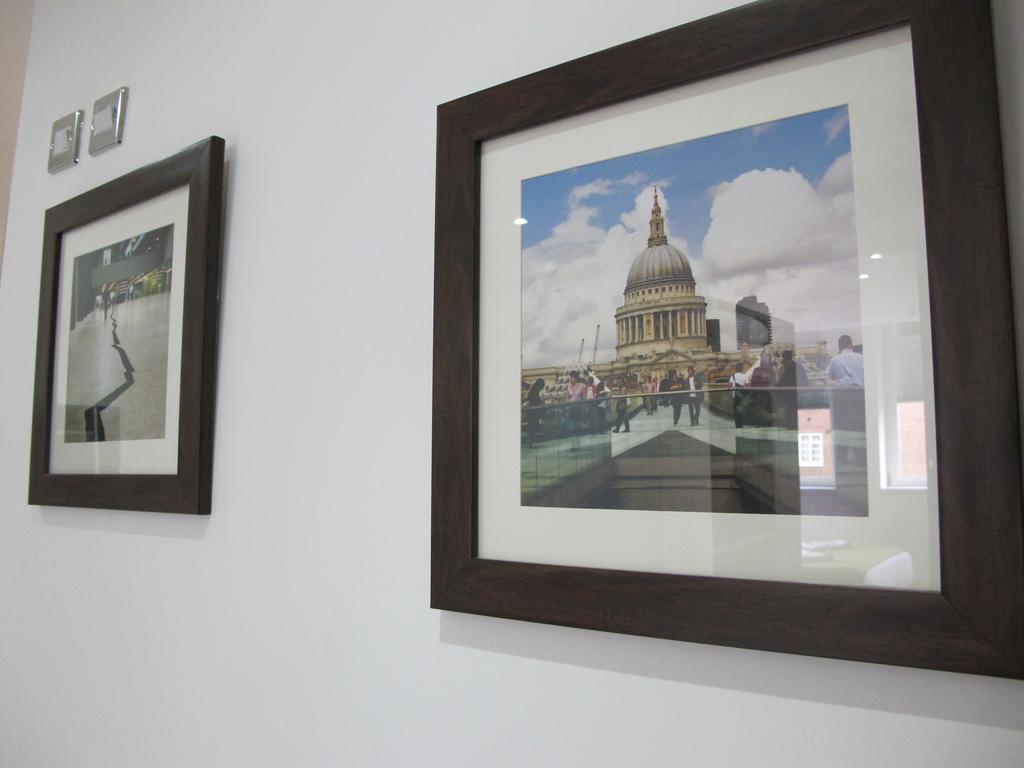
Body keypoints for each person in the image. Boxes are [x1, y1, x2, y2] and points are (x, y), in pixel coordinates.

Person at [776, 350, 807, 430]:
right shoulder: (798, 366)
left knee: (790, 410)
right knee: (796, 410)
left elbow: (782, 381)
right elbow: (805, 380)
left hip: (789, 393)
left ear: (784, 358)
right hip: (798, 393)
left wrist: (775, 388)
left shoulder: (786, 367)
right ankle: (796, 425)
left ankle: (791, 426)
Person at [523, 379, 545, 446]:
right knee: (533, 426)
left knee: (531, 426)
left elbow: (529, 398)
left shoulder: (533, 390)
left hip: (531, 411)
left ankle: (530, 441)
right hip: (534, 411)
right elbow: (536, 400)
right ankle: (531, 441)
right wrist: (542, 402)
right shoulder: (536, 391)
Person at [729, 362, 748, 428]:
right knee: (741, 409)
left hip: (734, 396)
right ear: (742, 369)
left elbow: (729, 386)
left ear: (736, 369)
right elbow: (747, 386)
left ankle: (736, 424)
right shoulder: (744, 376)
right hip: (742, 396)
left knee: (735, 410)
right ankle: (741, 424)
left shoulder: (732, 376)